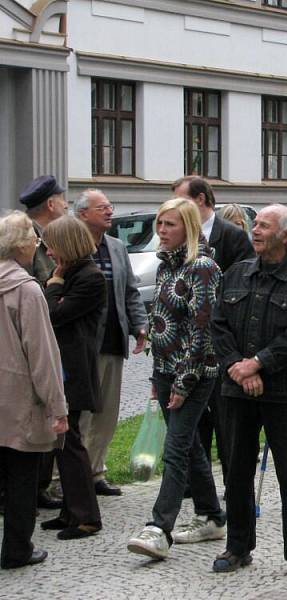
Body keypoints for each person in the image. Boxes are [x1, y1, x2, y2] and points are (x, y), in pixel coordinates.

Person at [211, 204, 287, 578]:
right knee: (236, 473)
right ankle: (238, 547)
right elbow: (219, 326)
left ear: (286, 235)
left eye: (263, 226)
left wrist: (258, 363)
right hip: (237, 391)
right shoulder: (236, 274)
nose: (255, 230)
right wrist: (238, 369)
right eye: (254, 224)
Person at [126, 198, 226, 560]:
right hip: (167, 372)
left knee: (177, 448)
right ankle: (213, 516)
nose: (161, 231)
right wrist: (158, 375)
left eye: (169, 224)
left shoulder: (202, 267)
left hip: (196, 374)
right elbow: (161, 326)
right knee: (189, 446)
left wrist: (184, 383)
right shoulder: (167, 266)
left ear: (188, 227)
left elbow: (203, 332)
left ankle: (159, 528)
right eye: (159, 224)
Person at [172, 176, 254, 486]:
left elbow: (244, 281)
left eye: (184, 202)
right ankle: (197, 484)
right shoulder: (180, 238)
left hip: (222, 341)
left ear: (202, 201)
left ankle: (233, 484)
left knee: (226, 419)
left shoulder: (231, 237)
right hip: (189, 344)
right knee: (195, 420)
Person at [0, 211, 68, 569]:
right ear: (25, 245)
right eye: (35, 240)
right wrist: (59, 407)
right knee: (22, 479)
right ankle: (16, 550)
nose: (38, 245)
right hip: (19, 402)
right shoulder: (26, 290)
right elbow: (42, 354)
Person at [76, 189, 148, 497]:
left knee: (107, 412)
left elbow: (130, 292)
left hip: (113, 340)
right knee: (80, 414)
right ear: (83, 214)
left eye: (110, 206)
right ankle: (66, 478)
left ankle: (95, 472)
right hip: (81, 345)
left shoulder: (117, 247)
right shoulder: (72, 244)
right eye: (102, 207)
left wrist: (140, 325)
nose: (109, 211)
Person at [40, 216, 106, 540]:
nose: (49, 252)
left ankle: (86, 517)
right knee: (63, 443)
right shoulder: (73, 273)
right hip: (65, 368)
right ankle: (71, 511)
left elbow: (52, 315)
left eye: (51, 245)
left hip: (74, 371)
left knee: (70, 442)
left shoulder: (89, 277)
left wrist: (53, 286)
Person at [18, 175, 69, 510]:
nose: (66, 205)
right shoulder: (31, 240)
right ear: (50, 203)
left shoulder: (42, 235)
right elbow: (41, 284)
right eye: (63, 199)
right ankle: (27, 490)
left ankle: (37, 487)